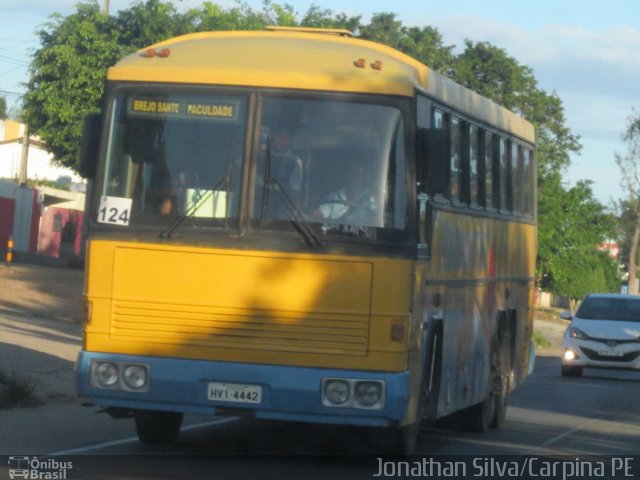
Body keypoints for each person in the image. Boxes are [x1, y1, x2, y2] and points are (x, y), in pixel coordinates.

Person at [315, 162, 379, 234]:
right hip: (333, 239)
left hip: (359, 241)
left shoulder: (370, 201)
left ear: (364, 176)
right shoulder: (334, 196)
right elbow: (318, 215)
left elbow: (373, 225)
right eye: (352, 170)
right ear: (348, 174)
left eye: (359, 170)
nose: (355, 174)